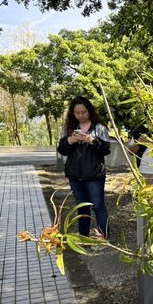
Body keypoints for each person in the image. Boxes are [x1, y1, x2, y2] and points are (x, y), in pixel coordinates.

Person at [57, 96, 111, 238]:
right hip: (75, 176)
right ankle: (83, 236)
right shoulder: (69, 129)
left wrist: (92, 141)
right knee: (82, 207)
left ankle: (103, 236)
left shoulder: (99, 128)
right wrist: (71, 140)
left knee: (98, 206)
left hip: (94, 175)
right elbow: (62, 150)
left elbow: (106, 150)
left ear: (89, 111)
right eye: (77, 113)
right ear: (72, 113)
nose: (80, 115)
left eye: (84, 112)